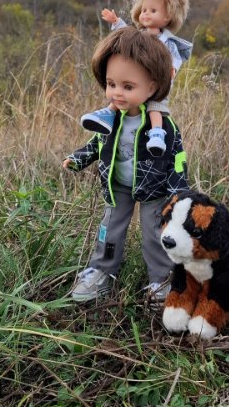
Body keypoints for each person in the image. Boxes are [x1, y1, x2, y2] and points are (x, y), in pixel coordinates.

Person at [63, 26, 189, 302]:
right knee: (110, 229)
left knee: (155, 234)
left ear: (153, 87)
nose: (117, 93)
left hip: (154, 189)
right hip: (117, 185)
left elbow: (176, 157)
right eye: (111, 84)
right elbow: (98, 143)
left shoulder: (163, 126)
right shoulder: (112, 119)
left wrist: (181, 190)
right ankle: (101, 271)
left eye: (128, 87)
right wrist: (78, 159)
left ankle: (161, 281)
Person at [80, 0, 192, 157]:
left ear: (168, 15)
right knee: (120, 92)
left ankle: (157, 133)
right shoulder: (140, 34)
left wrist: (171, 71)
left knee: (156, 107)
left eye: (153, 10)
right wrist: (116, 21)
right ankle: (108, 114)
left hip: (157, 84)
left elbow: (174, 60)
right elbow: (126, 37)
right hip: (134, 80)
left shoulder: (168, 42)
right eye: (144, 9)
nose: (146, 14)